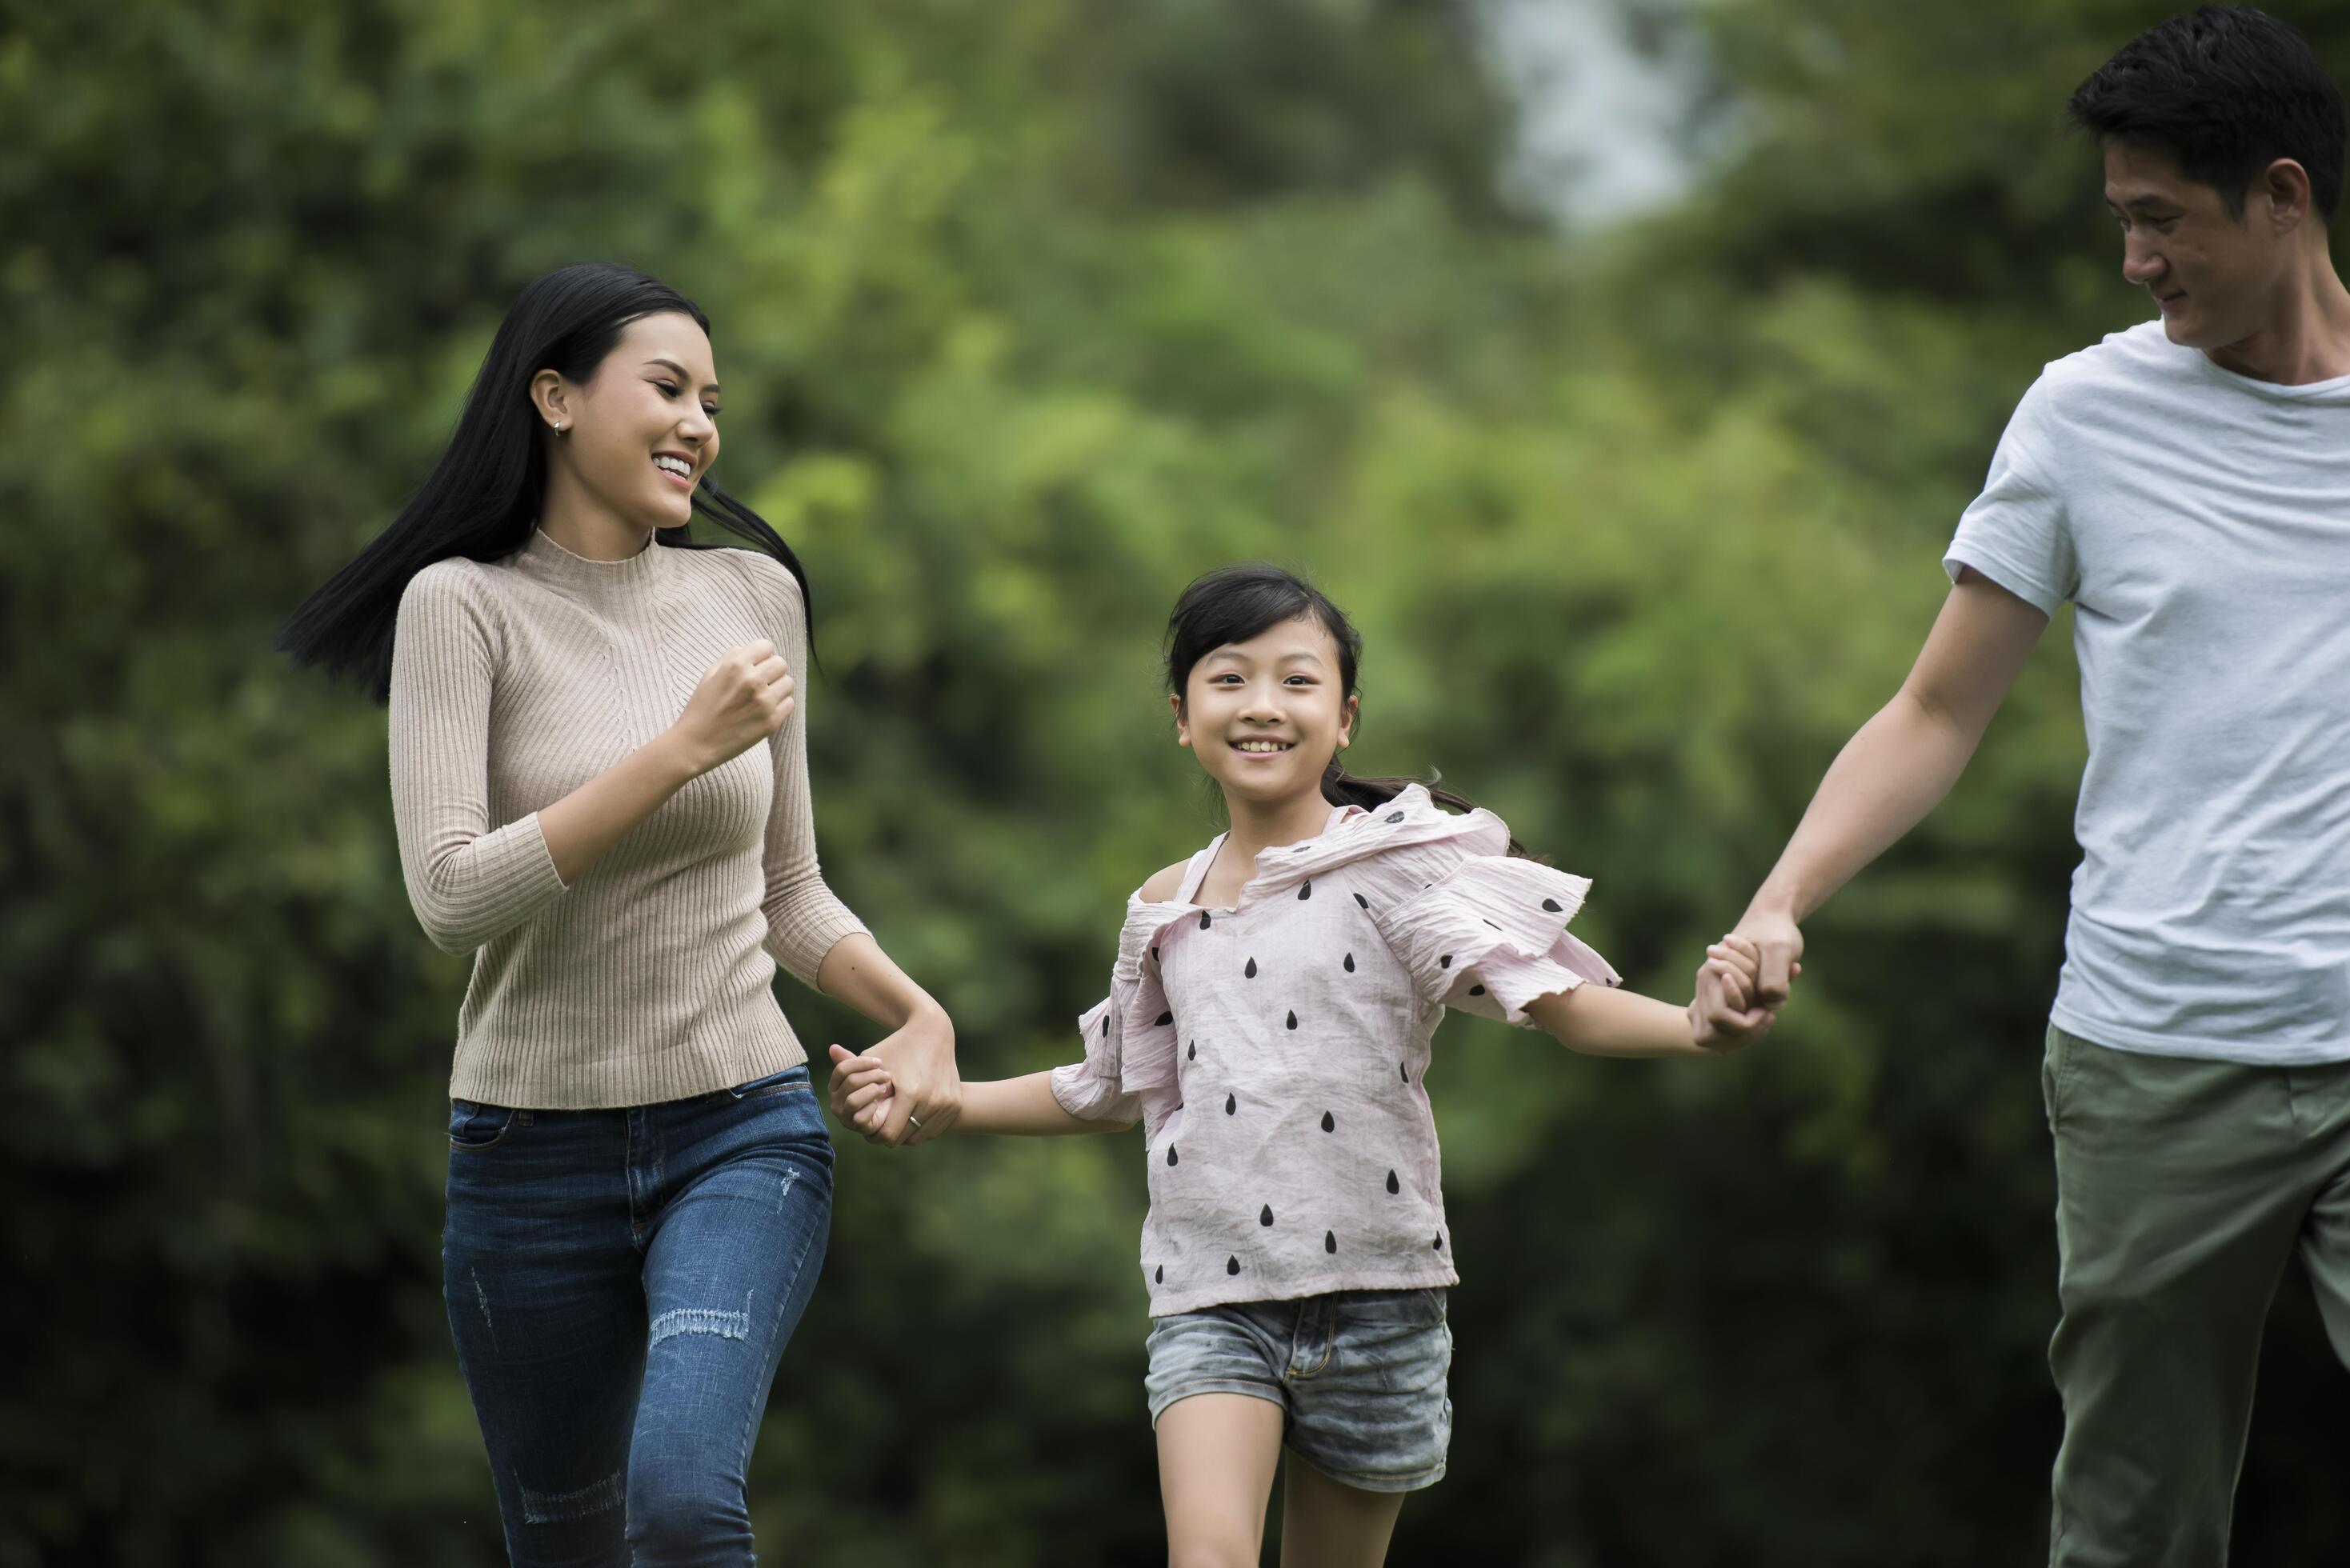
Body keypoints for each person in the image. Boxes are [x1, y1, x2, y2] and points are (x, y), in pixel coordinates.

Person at [1701, 10, 2350, 1562]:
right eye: (2119, 219)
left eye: (2158, 219)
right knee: (2130, 1515)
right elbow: (1935, 707)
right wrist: (1780, 894)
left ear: (2280, 195)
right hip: (2150, 1049)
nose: (2133, 258)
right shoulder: (2081, 417)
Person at [834, 564, 1770, 1565]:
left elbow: (1561, 1005)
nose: (1263, 706)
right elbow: (1108, 1084)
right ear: (1183, 717)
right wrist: (944, 1104)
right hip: (1211, 1298)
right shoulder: (1165, 907)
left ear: (1346, 717)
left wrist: (1693, 1026)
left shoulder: (1397, 869)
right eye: (1229, 679)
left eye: (1297, 680)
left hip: (1381, 1294)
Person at [276, 262, 962, 1565]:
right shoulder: (462, 607)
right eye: (667, 387)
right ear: (552, 396)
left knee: (684, 1504)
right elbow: (450, 896)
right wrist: (677, 750)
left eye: (713, 399)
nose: (701, 424)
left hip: (738, 1130)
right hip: (525, 1162)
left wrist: (918, 1012)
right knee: (568, 1544)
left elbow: (791, 890)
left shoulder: (752, 596)